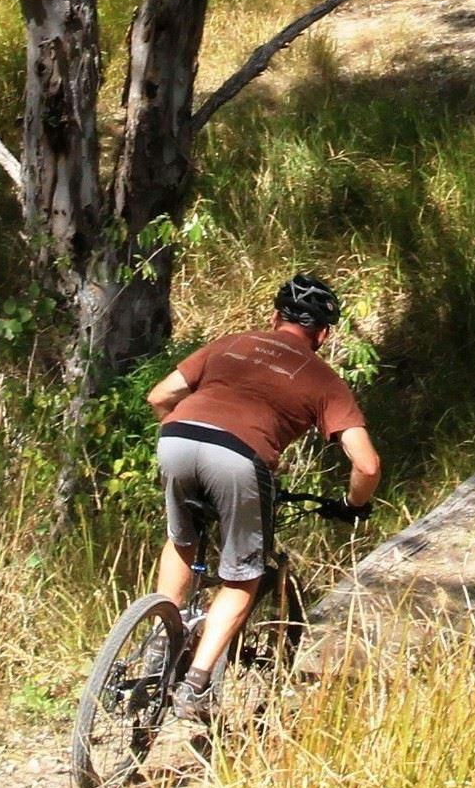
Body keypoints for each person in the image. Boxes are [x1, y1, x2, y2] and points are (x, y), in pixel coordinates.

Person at [145, 272, 382, 722]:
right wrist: (355, 506)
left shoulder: (230, 343)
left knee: (183, 537)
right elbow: (367, 465)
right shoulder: (324, 379)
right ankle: (195, 685)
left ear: (274, 317)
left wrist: (185, 442)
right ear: (324, 335)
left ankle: (161, 638)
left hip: (176, 436)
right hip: (239, 458)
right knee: (242, 576)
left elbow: (161, 395)